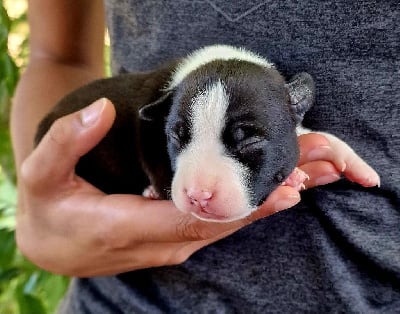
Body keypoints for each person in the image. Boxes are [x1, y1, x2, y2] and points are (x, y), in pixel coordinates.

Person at [11, 1, 399, 313]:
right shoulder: (163, 107)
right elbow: (58, 54)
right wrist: (39, 211)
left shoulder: (272, 101)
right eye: (180, 138)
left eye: (247, 142)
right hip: (123, 298)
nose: (200, 191)